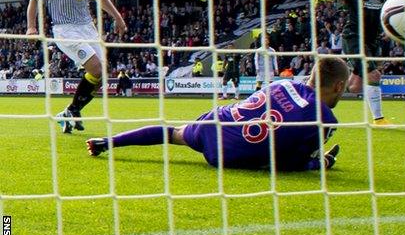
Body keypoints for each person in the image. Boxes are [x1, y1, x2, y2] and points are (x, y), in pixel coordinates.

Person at [86, 57, 350, 171]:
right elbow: (287, 164)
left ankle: (107, 142)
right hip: (229, 153)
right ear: (338, 86)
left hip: (213, 123)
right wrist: (320, 163)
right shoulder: (323, 118)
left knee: (172, 133)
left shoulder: (283, 83)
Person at [26, 0, 127, 134]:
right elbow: (34, 0)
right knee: (96, 69)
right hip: (65, 29)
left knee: (102, 74)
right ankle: (71, 112)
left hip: (88, 27)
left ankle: (70, 112)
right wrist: (31, 27)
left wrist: (117, 17)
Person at [325, 0, 393, 125]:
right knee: (374, 75)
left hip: (373, 41)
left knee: (355, 87)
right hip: (354, 37)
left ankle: (323, 86)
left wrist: (390, 30)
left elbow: (392, 14)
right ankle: (379, 120)